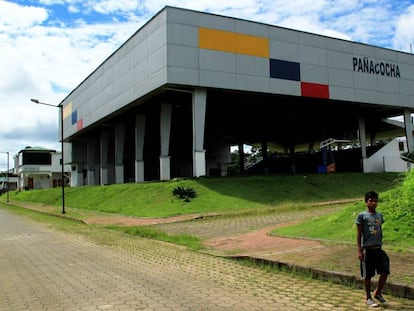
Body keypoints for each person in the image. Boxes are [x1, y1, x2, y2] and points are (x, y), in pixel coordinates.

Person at [356, 191, 390, 307]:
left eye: (375, 201)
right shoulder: (362, 216)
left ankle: (377, 292)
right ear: (366, 202)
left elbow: (380, 230)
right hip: (367, 250)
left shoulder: (379, 216)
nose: (373, 203)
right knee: (368, 275)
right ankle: (368, 297)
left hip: (378, 249)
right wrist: (360, 250)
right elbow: (359, 234)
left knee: (385, 270)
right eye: (371, 201)